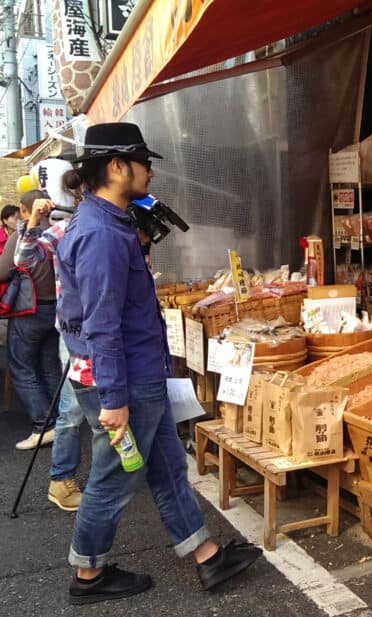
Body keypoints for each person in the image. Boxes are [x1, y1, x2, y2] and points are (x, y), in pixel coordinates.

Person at [56, 122, 261, 604]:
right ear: (115, 166)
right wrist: (114, 399)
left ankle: (208, 555)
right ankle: (88, 576)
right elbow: (102, 322)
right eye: (143, 162)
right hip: (124, 377)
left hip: (139, 372)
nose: (150, 171)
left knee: (168, 466)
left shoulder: (106, 222)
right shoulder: (101, 233)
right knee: (113, 477)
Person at [15, 194, 85, 511]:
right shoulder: (65, 229)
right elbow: (24, 259)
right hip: (76, 334)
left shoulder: (124, 224)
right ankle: (61, 479)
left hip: (117, 333)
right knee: (72, 413)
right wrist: (32, 223)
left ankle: (118, 479)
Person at [0, 190, 62, 450]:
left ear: (25, 210)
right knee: (49, 366)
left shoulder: (23, 236)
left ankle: (42, 425)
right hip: (55, 310)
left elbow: (3, 270)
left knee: (22, 368)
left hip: (29, 310)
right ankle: (58, 421)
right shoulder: (61, 231)